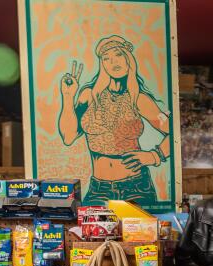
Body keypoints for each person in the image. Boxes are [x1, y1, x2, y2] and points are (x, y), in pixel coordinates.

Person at [58, 35, 170, 208]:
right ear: (102, 64)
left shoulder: (138, 99)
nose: (113, 62)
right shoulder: (89, 96)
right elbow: (68, 136)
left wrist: (154, 156)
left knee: (139, 235)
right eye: (106, 58)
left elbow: (175, 134)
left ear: (128, 59)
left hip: (136, 186)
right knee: (93, 234)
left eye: (118, 55)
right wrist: (67, 96)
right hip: (98, 188)